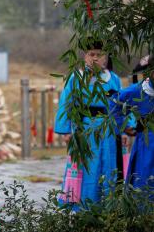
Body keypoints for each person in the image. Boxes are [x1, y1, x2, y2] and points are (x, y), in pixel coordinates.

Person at [55, 39, 122, 209]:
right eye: (91, 54)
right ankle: (83, 207)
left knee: (107, 165)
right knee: (86, 169)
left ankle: (108, 208)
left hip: (107, 131)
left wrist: (127, 129)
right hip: (83, 130)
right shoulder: (76, 78)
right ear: (85, 56)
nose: (95, 58)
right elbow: (65, 103)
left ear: (105, 58)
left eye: (99, 55)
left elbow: (123, 105)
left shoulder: (113, 79)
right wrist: (65, 131)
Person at [109, 55, 154, 192]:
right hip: (147, 144)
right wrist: (124, 127)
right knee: (145, 180)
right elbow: (114, 105)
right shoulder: (137, 91)